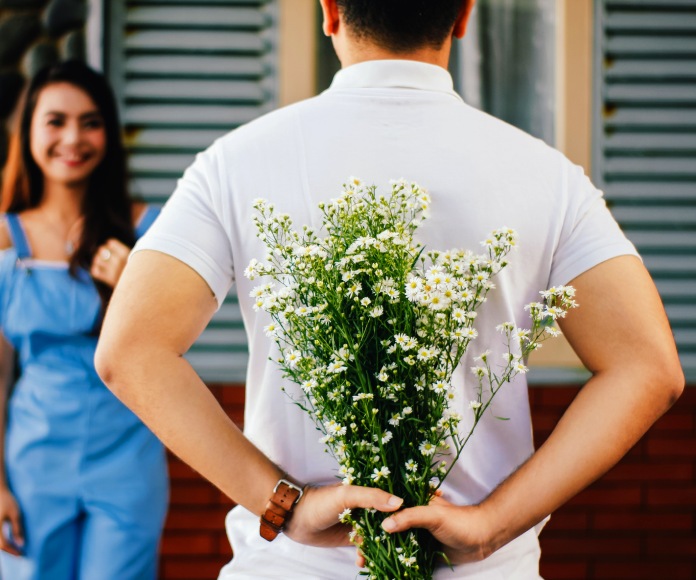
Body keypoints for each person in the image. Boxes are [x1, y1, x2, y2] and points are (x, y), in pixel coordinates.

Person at [95, 1, 684, 578]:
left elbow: (130, 351)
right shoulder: (548, 175)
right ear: (463, 16)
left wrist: (285, 506)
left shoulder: (236, 163)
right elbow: (649, 368)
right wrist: (491, 524)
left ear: (329, 12)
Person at [0, 61, 168, 580]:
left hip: (128, 454)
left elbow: (173, 350)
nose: (73, 137)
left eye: (90, 121)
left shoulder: (150, 229)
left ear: (109, 134)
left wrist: (131, 289)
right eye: (55, 121)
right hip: (32, 459)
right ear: (27, 129)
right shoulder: (4, 237)